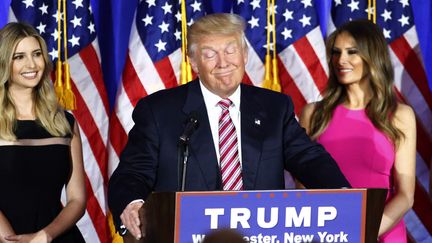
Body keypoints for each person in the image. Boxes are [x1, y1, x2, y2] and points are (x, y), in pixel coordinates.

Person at [108, 13, 350, 240]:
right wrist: (132, 203)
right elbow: (132, 173)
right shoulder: (159, 111)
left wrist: (342, 193)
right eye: (210, 53)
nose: (223, 62)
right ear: (193, 62)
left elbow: (308, 157)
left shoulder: (274, 107)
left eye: (230, 50)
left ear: (244, 55)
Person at [299, 19, 416, 242]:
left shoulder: (400, 115)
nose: (341, 60)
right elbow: (304, 187)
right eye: (336, 52)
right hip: (327, 234)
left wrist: (362, 233)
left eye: (352, 52)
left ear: (372, 56)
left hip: (382, 232)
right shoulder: (313, 114)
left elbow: (406, 195)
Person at [0, 22, 86, 243]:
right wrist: (11, 240)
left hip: (58, 238)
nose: (31, 64)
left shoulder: (64, 122)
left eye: (36, 54)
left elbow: (77, 199)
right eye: (19, 57)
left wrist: (46, 235)